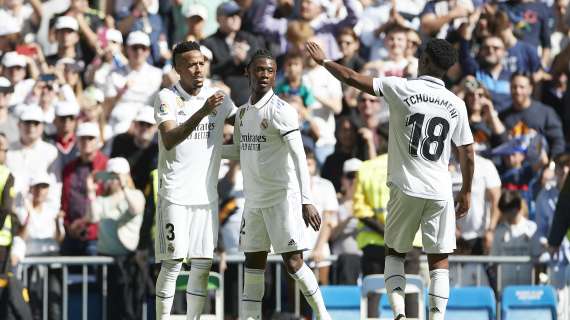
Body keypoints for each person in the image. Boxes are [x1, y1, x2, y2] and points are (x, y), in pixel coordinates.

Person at [306, 38, 475, 320]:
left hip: (406, 187)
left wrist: (324, 62)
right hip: (440, 190)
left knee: (394, 252)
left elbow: (351, 77)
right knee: (439, 259)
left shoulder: (402, 87)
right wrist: (466, 191)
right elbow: (468, 153)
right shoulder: (456, 104)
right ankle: (437, 317)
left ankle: (398, 314)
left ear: (427, 61)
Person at [221, 49, 330, 320]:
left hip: (282, 199)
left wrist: (306, 200)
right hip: (254, 201)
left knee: (293, 262)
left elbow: (299, 157)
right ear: (248, 72)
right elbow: (239, 151)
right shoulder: (243, 114)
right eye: (259, 69)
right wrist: (205, 150)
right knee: (253, 263)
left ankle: (323, 315)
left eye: (270, 71)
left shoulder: (283, 111)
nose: (265, 75)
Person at [153, 41, 236, 320]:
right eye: (190, 64)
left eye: (201, 62)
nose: (197, 69)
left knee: (202, 265)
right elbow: (169, 138)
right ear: (178, 69)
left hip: (206, 197)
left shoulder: (218, 96)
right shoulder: (167, 97)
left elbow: (242, 122)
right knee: (173, 263)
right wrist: (202, 112)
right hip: (175, 194)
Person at [84, 157, 145, 320]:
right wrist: (90, 191)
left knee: (129, 308)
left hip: (128, 261)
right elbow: (91, 217)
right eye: (111, 175)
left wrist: (124, 186)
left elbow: (136, 208)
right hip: (106, 262)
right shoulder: (102, 200)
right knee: (110, 309)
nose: (114, 179)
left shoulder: (136, 194)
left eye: (118, 175)